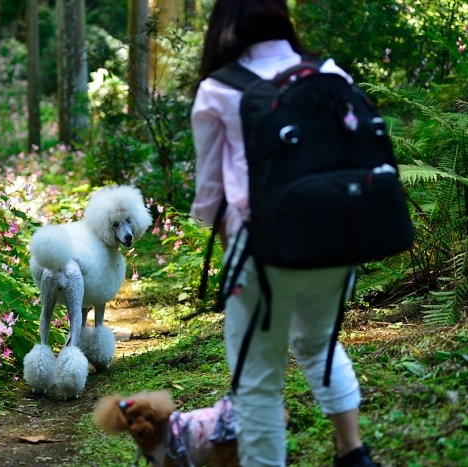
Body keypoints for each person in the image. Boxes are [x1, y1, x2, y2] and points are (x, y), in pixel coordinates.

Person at [190, 1, 380, 466]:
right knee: (320, 344)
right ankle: (353, 453)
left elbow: (210, 196)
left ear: (224, 24)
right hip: (336, 241)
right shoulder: (329, 72)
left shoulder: (218, 89)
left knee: (257, 378)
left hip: (263, 252)